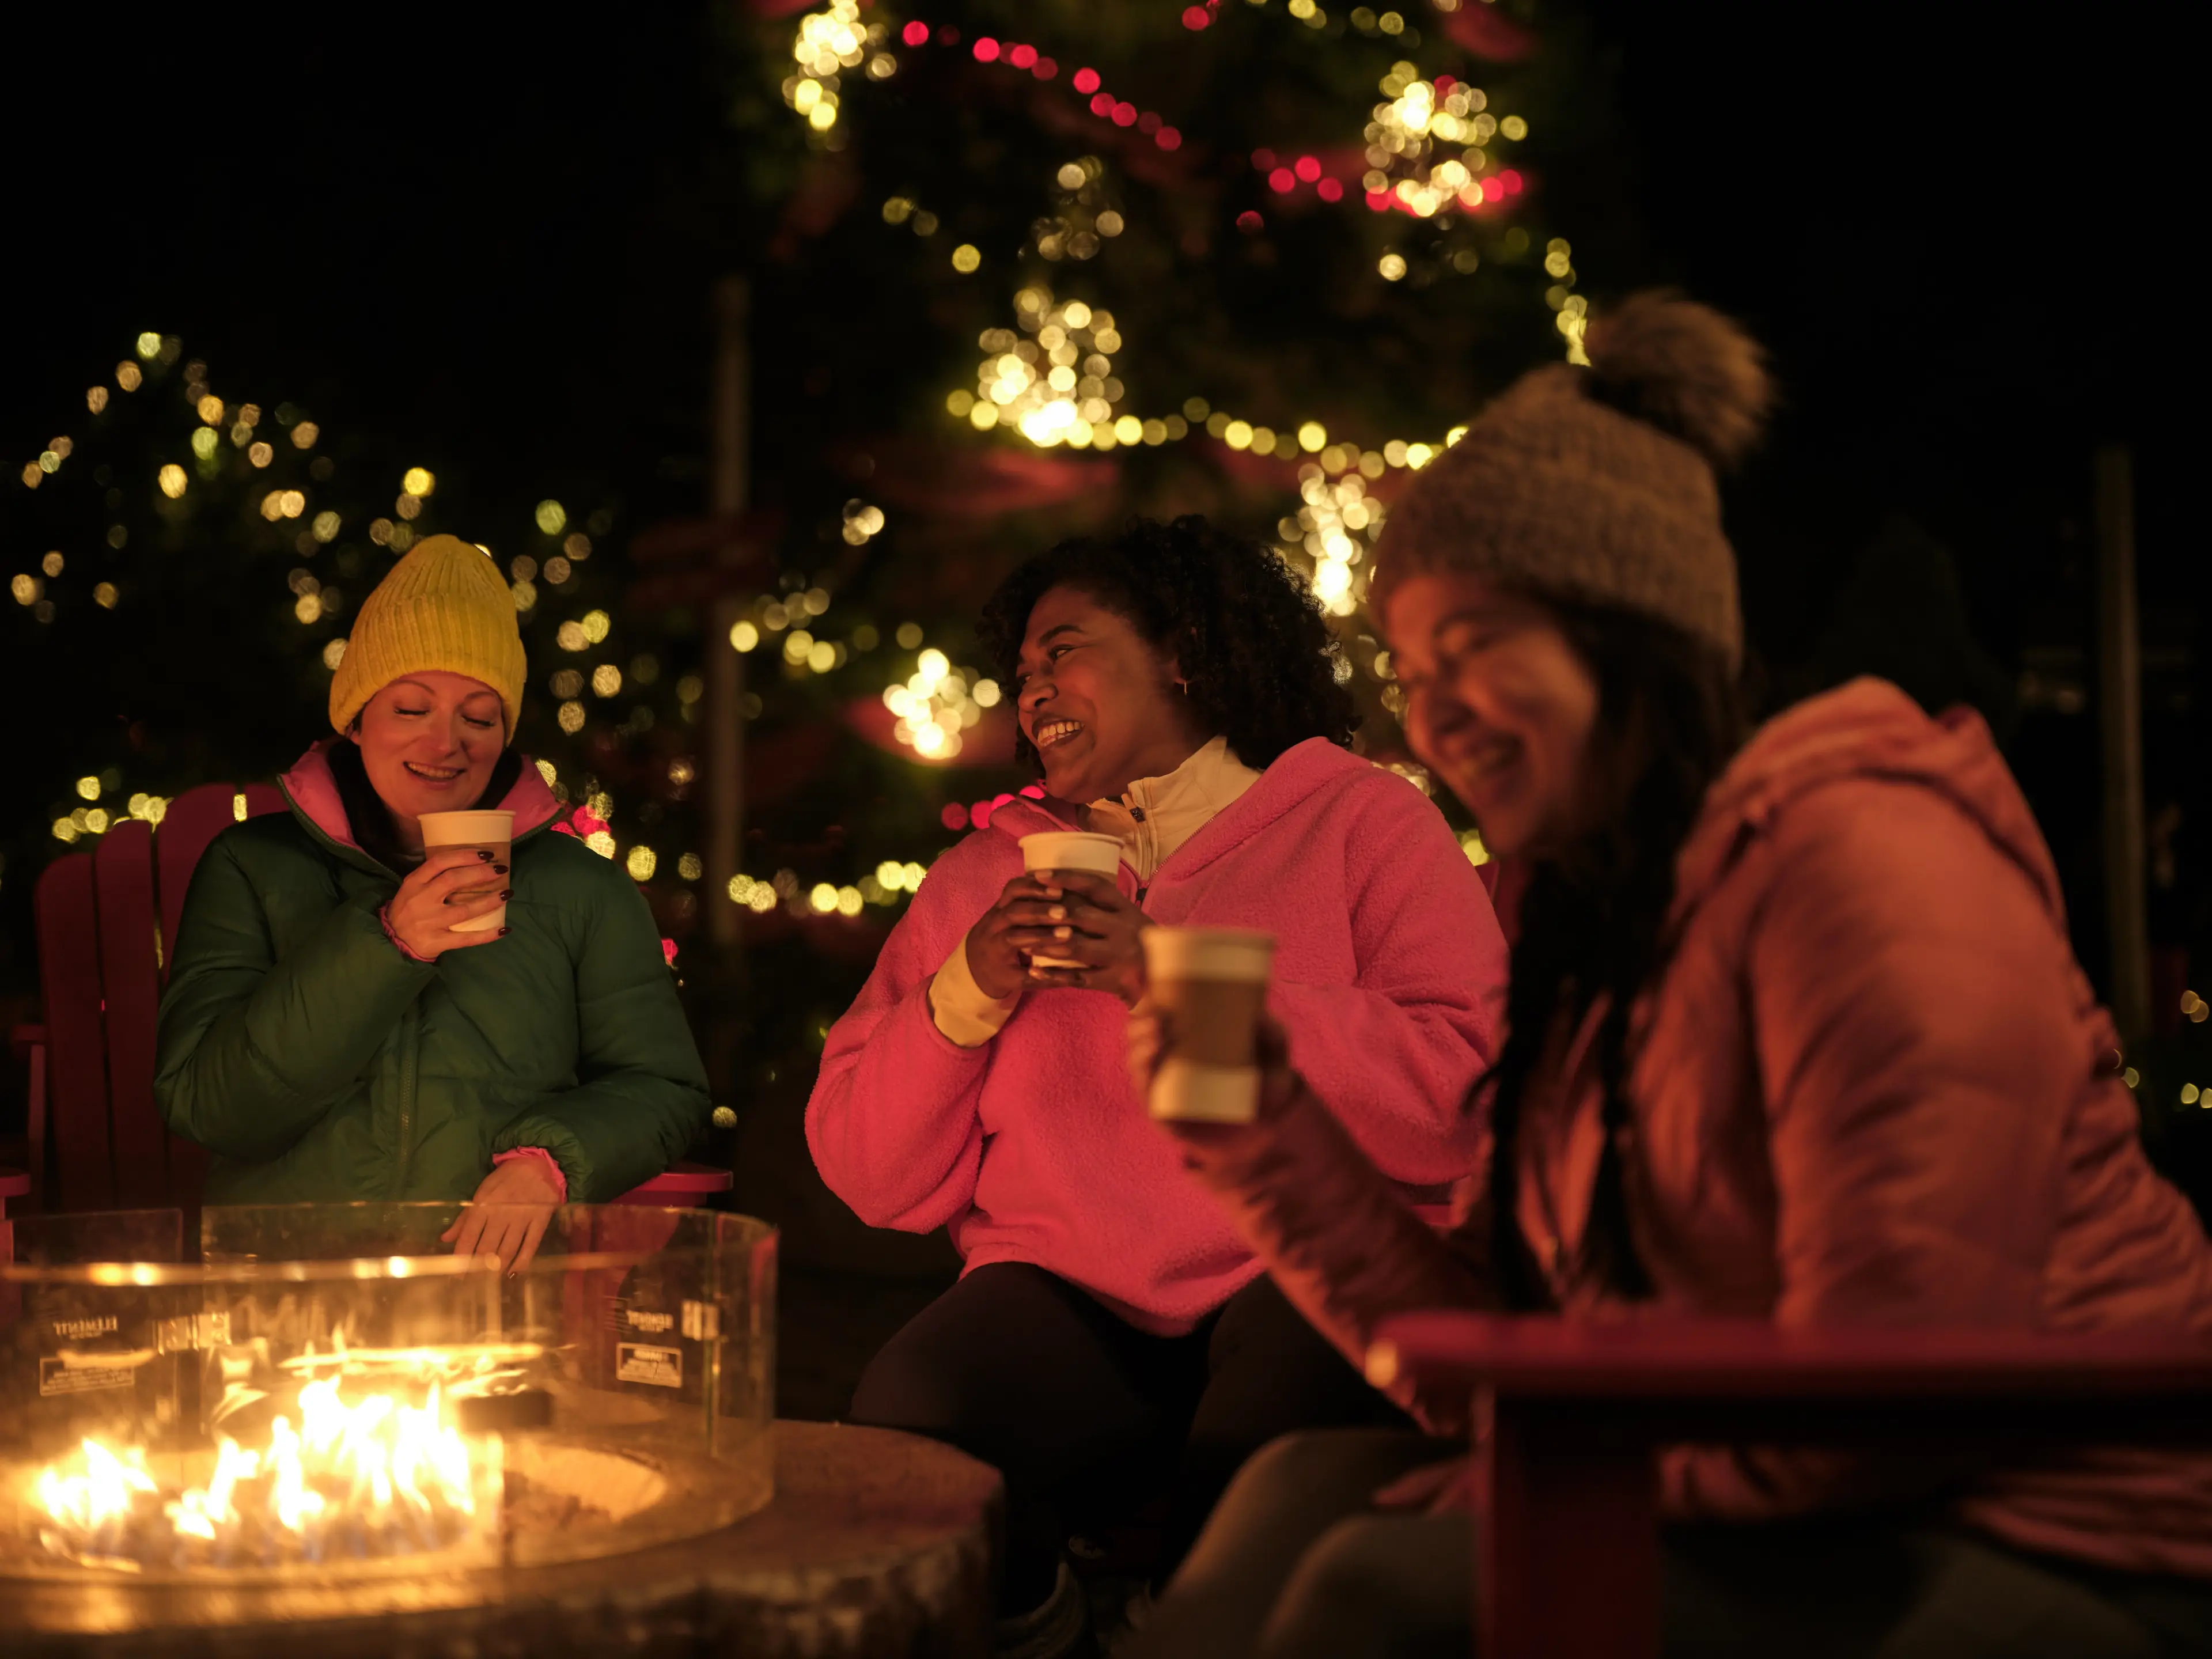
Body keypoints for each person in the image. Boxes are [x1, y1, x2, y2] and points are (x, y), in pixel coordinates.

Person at [1128, 296, 2212, 1657]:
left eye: (1474, 647)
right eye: (1409, 670)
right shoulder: (1597, 931)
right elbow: (1494, 1362)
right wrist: (1262, 1137)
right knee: (1290, 1493)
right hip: (1812, 1495)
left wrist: (1549, 1494)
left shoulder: (1862, 863)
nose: (1431, 709)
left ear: (1632, 639)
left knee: (1382, 1590)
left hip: (2066, 1532)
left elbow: (1891, 1394)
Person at [806, 517, 1508, 1656]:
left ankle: (1179, 1631)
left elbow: (1462, 1098)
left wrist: (1166, 974)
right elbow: (869, 1175)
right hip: (1071, 1292)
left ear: (1180, 651)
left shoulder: (1363, 823)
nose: (1032, 689)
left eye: (1064, 650)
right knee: (911, 1439)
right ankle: (1046, 1628)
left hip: (1314, 1268)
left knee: (1260, 1460)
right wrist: (966, 994)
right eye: (1023, 669)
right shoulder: (986, 877)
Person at [157, 533, 709, 1271]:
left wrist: (551, 1160)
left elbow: (665, 1088)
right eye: (411, 708)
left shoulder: (583, 890)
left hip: (490, 1306)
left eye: (479, 718)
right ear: (356, 721)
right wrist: (386, 945)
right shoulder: (253, 867)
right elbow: (210, 1108)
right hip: (288, 1289)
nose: (446, 744)